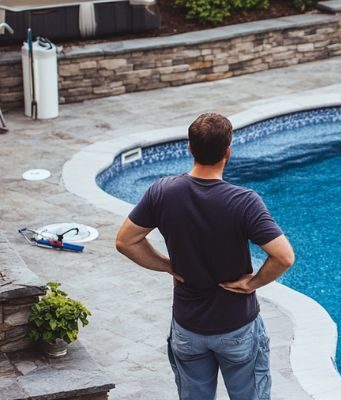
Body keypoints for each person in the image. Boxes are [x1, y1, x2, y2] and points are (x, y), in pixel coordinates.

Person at [115, 113, 295, 400]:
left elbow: (126, 241)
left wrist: (168, 265)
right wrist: (251, 284)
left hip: (188, 328)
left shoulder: (162, 192)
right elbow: (283, 257)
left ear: (189, 148)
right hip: (237, 325)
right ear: (228, 152)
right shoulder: (244, 202)